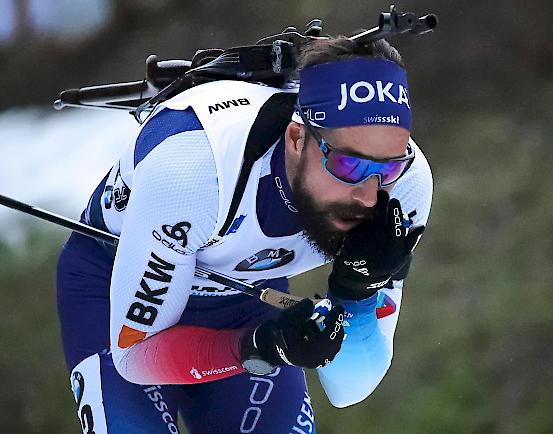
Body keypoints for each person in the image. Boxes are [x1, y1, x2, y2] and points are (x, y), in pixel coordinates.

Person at [56, 36, 433, 433]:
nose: (369, 196)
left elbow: (349, 387)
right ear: (296, 139)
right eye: (349, 166)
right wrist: (254, 347)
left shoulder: (406, 189)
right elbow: (135, 357)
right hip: (113, 290)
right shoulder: (194, 171)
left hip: (245, 296)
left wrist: (355, 295)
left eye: (387, 170)